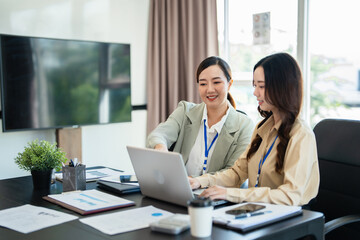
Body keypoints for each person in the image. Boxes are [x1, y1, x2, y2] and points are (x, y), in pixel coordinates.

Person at [189, 53, 320, 206]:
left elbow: (289, 196)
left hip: (289, 219)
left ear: (282, 87)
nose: (255, 92)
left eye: (262, 86)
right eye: (255, 85)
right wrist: (198, 181)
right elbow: (237, 173)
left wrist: (231, 194)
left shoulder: (301, 135)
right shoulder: (262, 128)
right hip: (258, 211)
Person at [146, 56, 254, 177]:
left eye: (216, 82)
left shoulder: (245, 125)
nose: (209, 89)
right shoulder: (185, 111)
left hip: (216, 194)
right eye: (203, 84)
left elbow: (234, 174)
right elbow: (158, 135)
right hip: (178, 191)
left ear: (229, 84)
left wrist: (198, 182)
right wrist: (160, 147)